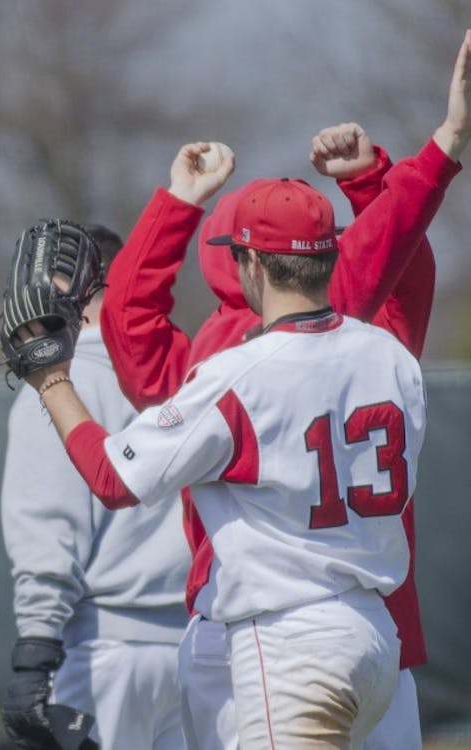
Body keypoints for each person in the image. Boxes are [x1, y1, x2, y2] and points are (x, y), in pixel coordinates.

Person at [99, 29, 471, 750]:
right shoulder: (360, 333)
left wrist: (178, 204)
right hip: (377, 623)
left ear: (242, 262)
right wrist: (379, 179)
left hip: (259, 629)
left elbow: (128, 325)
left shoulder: (217, 364)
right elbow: (397, 263)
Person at [15, 174, 427, 748]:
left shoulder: (236, 375)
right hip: (377, 633)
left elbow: (112, 477)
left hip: (290, 639)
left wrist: (52, 380)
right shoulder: (387, 355)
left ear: (251, 263)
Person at [0, 225, 190, 750]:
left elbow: (47, 528)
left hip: (104, 652)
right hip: (198, 650)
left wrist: (35, 650)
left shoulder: (60, 382)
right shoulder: (186, 370)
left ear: (68, 284)